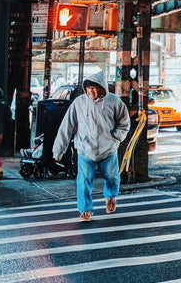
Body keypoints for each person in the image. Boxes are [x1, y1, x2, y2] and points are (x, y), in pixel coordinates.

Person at [53, 70, 130, 222]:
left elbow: (124, 123)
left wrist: (115, 138)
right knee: (83, 181)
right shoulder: (79, 103)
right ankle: (85, 210)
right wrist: (58, 150)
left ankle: (111, 196)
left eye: (94, 88)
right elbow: (66, 127)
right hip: (85, 149)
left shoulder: (114, 101)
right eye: (88, 88)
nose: (91, 91)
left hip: (107, 149)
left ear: (102, 88)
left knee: (112, 177)